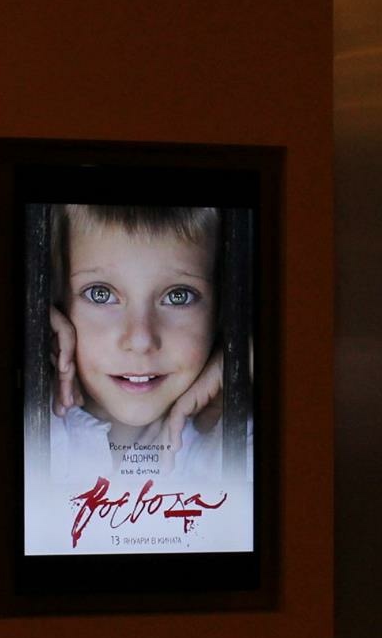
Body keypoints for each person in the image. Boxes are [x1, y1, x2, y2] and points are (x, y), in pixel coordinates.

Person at [39, 203, 241, 484]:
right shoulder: (25, 423)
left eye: (178, 296)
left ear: (220, 310)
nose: (141, 340)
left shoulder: (232, 444)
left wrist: (243, 357)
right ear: (56, 306)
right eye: (100, 294)